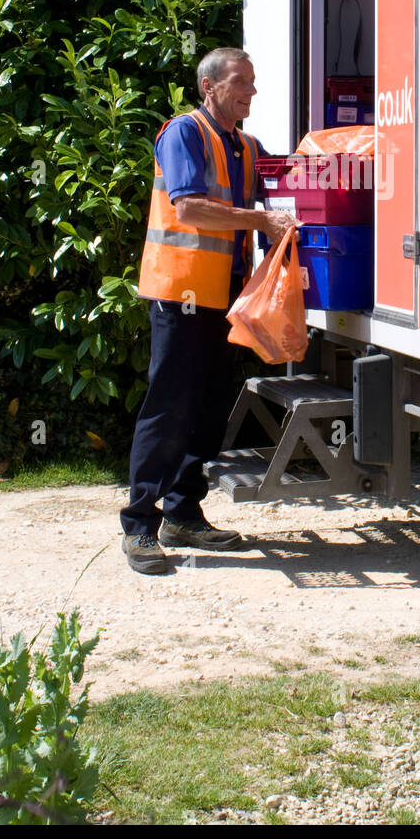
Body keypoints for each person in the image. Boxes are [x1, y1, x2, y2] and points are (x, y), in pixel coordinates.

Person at [120, 47, 296, 574]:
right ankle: (139, 527)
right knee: (169, 405)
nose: (252, 91)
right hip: (182, 295)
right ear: (209, 87)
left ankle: (183, 513)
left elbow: (293, 184)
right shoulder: (183, 134)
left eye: (254, 81)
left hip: (228, 299)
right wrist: (261, 222)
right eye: (242, 81)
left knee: (210, 405)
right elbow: (189, 206)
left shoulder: (248, 145)